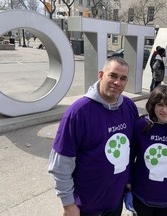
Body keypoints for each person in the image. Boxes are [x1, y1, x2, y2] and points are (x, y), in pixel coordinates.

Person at [48, 57, 139, 216]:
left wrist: (129, 184)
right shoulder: (78, 112)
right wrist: (68, 204)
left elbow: (130, 151)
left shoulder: (129, 107)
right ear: (101, 75)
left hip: (115, 202)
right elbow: (61, 164)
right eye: (113, 75)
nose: (117, 82)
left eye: (123, 78)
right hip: (87, 206)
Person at [125, 85, 167, 216]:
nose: (165, 110)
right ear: (152, 105)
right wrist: (128, 188)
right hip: (140, 196)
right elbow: (129, 159)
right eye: (160, 105)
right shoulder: (140, 126)